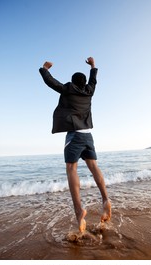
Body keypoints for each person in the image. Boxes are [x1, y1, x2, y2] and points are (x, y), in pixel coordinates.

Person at [39, 57, 111, 233]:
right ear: (84, 83)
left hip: (75, 135)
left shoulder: (67, 89)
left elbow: (51, 82)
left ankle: (79, 210)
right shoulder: (89, 91)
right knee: (94, 167)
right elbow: (93, 80)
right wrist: (93, 65)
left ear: (72, 82)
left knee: (71, 169)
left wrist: (44, 68)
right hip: (88, 135)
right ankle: (106, 199)